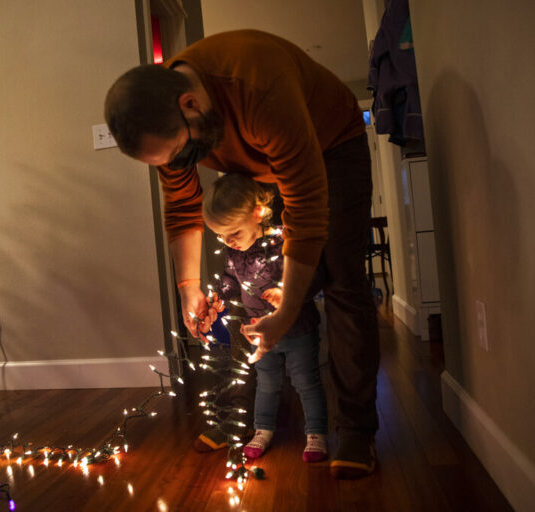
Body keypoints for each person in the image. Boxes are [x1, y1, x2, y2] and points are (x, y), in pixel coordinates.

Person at [105, 29, 379, 479]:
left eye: (178, 151)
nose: (179, 164)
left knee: (343, 280)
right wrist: (188, 288)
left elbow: (306, 208)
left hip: (330, 144)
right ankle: (244, 414)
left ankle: (356, 430)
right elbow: (181, 207)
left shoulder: (256, 84)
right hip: (258, 159)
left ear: (190, 104)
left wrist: (289, 308)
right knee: (244, 290)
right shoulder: (175, 123)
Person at [200, 173, 328, 462]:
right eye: (219, 235)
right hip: (259, 333)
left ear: (257, 213)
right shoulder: (236, 252)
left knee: (306, 381)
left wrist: (289, 295)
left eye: (232, 232)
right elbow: (231, 277)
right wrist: (221, 294)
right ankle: (262, 429)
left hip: (298, 329)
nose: (227, 241)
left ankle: (316, 433)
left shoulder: (285, 241)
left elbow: (315, 274)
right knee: (266, 383)